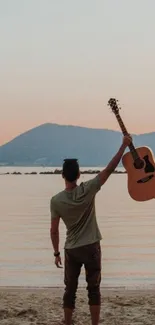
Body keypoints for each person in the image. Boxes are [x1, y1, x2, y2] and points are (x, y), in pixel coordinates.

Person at [50, 134, 132, 325]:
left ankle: (68, 321)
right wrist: (123, 147)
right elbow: (110, 169)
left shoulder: (56, 201)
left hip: (72, 249)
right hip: (92, 247)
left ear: (62, 175)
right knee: (93, 288)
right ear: (79, 175)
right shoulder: (88, 189)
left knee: (69, 289)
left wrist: (56, 253)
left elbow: (54, 231)